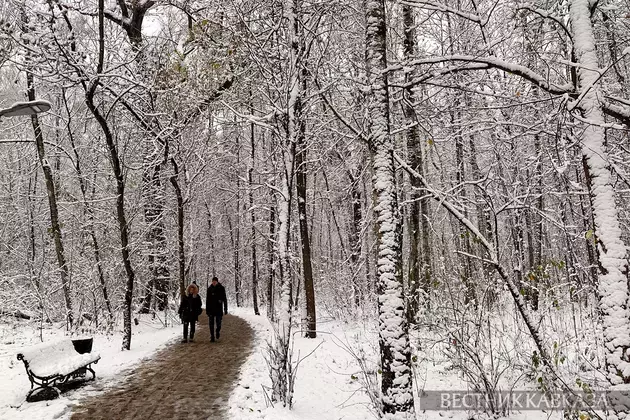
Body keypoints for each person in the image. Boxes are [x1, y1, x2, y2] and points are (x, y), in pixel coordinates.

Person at [206, 276, 227, 342]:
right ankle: (212, 336)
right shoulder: (209, 289)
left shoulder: (221, 288)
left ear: (217, 282)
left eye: (215, 281)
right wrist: (207, 310)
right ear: (212, 282)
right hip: (211, 309)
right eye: (213, 281)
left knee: (219, 323)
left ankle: (217, 331)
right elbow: (207, 300)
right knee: (211, 323)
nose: (214, 282)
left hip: (218, 308)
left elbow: (224, 299)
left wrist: (225, 308)